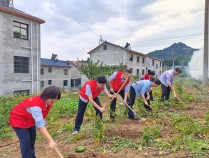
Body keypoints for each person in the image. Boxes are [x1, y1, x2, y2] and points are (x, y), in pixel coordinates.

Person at [9, 86, 61, 158]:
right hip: (18, 120)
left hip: (29, 120)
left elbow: (42, 117)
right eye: (52, 99)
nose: (54, 101)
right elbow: (40, 124)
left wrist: (43, 127)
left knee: (32, 140)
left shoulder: (47, 102)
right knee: (26, 141)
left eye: (55, 98)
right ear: (46, 96)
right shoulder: (35, 106)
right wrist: (50, 140)